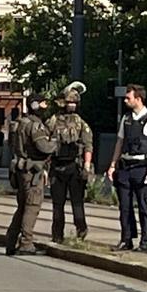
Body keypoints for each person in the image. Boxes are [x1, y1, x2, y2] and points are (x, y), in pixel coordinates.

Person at [106, 84, 147, 252]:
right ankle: (126, 239)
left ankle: (146, 241)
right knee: (124, 206)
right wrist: (112, 165)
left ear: (138, 99)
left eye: (128, 98)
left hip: (142, 168)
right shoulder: (126, 118)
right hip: (125, 167)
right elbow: (119, 142)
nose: (125, 100)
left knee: (143, 205)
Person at [5, 93, 56, 256]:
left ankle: (10, 241)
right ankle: (26, 243)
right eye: (43, 104)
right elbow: (44, 147)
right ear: (34, 105)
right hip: (32, 170)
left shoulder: (19, 123)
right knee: (32, 206)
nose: (45, 107)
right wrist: (55, 140)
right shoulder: (35, 125)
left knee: (22, 207)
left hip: (19, 168)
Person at [46, 82, 94, 243]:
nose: (72, 105)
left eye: (74, 102)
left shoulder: (81, 123)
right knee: (58, 205)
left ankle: (81, 231)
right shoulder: (52, 121)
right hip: (57, 166)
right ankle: (57, 235)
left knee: (77, 203)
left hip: (75, 167)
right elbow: (45, 145)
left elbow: (88, 145)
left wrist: (87, 166)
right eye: (69, 102)